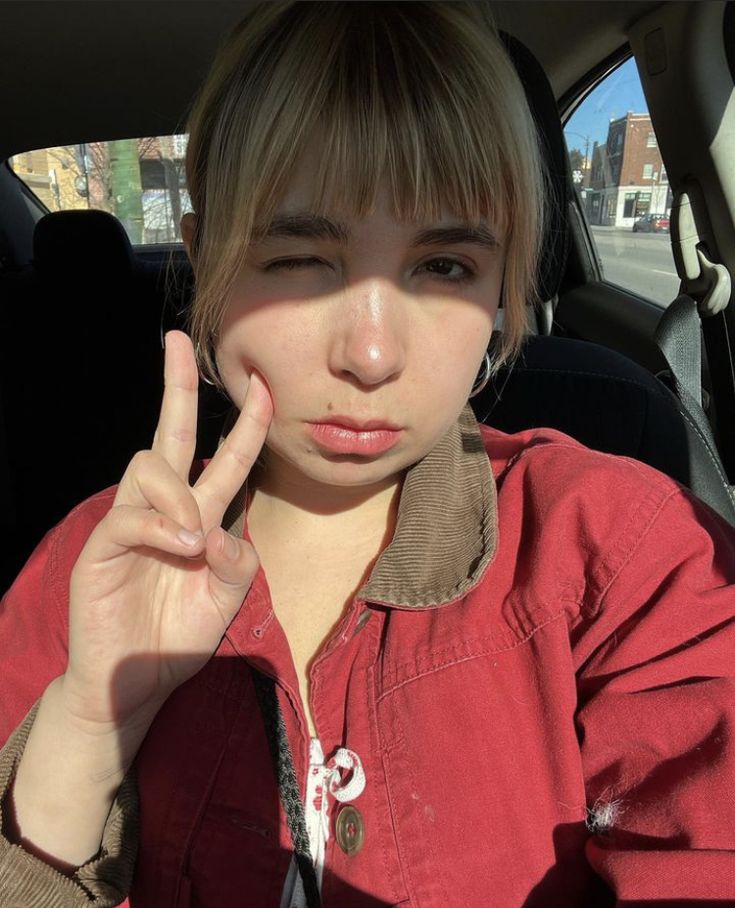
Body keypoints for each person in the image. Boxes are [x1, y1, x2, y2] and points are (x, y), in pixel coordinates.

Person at [1, 3, 734, 906]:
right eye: (303, 257)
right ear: (206, 266)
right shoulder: (87, 570)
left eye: (443, 268)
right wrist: (89, 720)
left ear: (505, 282)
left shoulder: (620, 554)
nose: (373, 354)